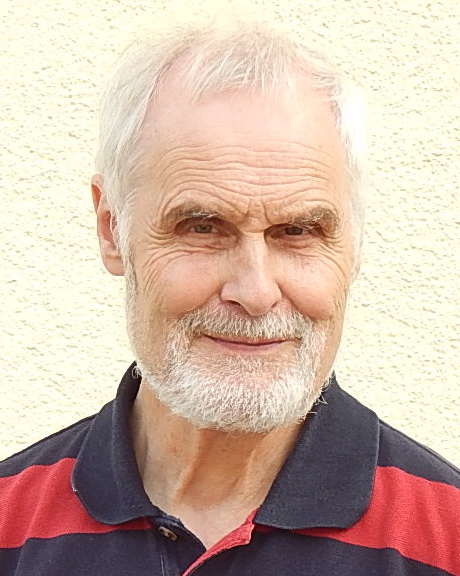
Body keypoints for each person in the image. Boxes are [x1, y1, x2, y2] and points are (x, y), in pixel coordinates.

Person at [0, 16, 459, 576]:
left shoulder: (447, 538)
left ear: (355, 245)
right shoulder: (9, 525)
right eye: (202, 227)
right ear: (111, 229)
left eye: (298, 231)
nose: (256, 292)